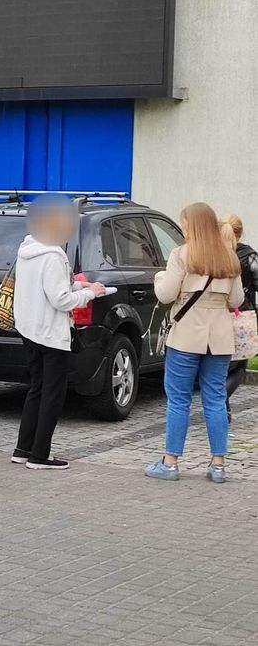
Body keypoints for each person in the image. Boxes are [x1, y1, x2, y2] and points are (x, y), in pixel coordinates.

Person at [146, 202, 243, 484]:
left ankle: (171, 462)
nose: (183, 229)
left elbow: (165, 295)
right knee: (215, 399)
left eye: (184, 224)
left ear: (192, 226)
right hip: (220, 340)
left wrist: (160, 276)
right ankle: (218, 465)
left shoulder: (181, 255)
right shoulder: (229, 258)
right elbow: (236, 301)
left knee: (179, 399)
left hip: (187, 337)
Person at [11, 198, 105, 470]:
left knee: (36, 390)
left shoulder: (27, 249)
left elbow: (46, 290)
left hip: (29, 329)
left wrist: (75, 287)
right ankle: (40, 455)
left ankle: (23, 448)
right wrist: (90, 293)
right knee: (52, 395)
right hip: (51, 333)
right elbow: (60, 300)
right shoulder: (53, 255)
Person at [221, 213, 258, 413]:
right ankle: (221, 400)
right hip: (242, 316)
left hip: (215, 314)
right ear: (240, 233)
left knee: (218, 362)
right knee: (239, 365)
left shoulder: (213, 253)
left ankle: (217, 401)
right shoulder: (248, 256)